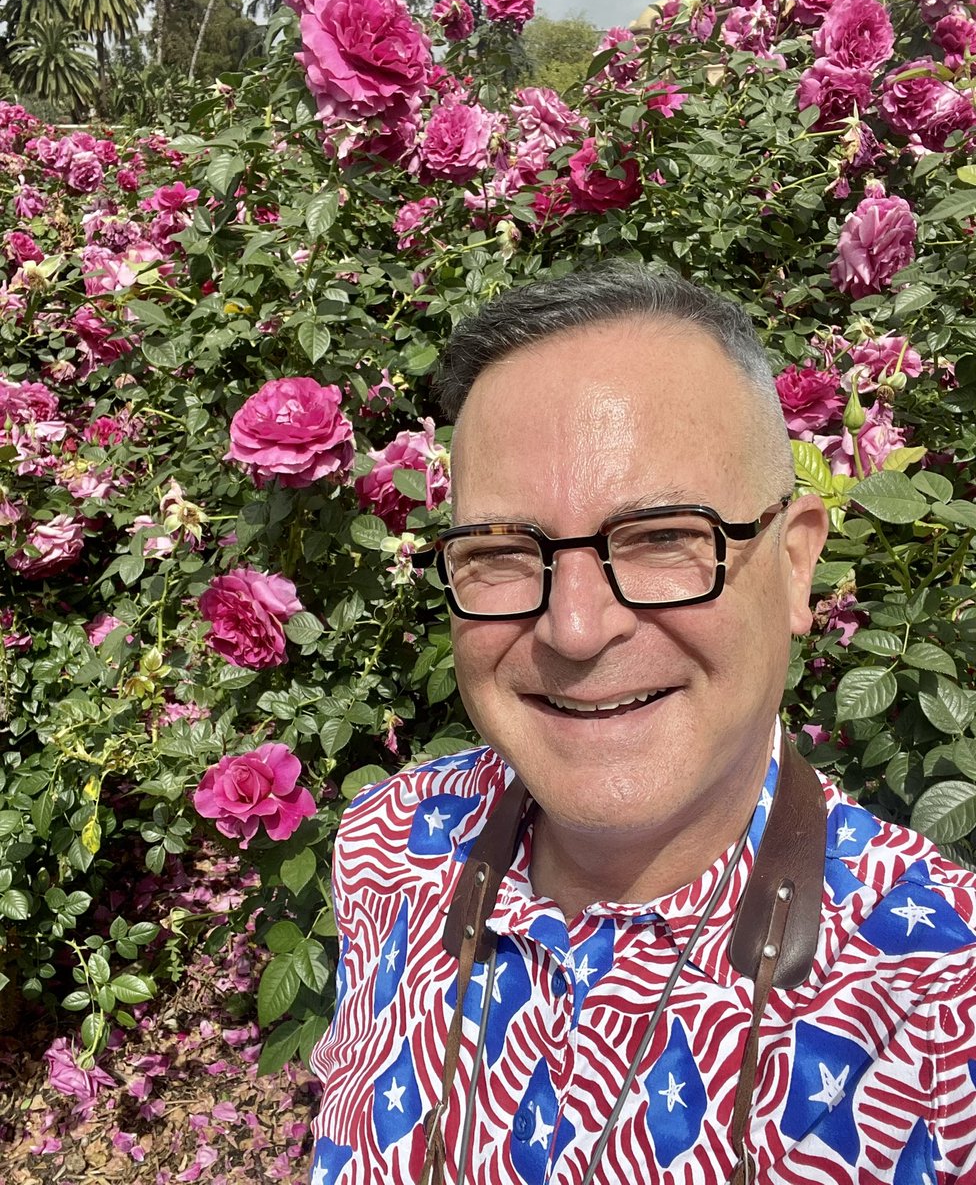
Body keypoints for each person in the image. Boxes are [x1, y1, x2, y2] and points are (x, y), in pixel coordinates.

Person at [308, 263, 976, 1184]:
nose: (576, 628)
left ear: (794, 566)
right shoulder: (390, 847)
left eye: (664, 538)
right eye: (503, 553)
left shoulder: (938, 1004)